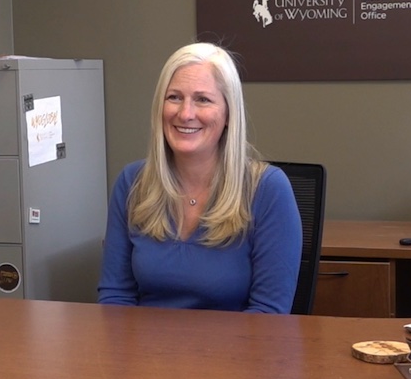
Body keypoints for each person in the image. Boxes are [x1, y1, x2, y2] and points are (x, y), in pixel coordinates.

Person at [97, 42, 302, 313]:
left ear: (229, 113)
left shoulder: (267, 189)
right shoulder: (133, 182)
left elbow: (268, 314)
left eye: (203, 99)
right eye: (174, 97)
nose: (185, 113)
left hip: (235, 352)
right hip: (146, 353)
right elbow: (115, 297)